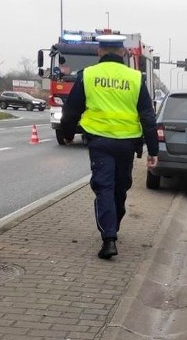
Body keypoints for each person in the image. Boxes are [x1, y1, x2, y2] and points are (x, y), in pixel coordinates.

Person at [59, 35, 159, 259]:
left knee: (105, 188)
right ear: (123, 53)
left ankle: (109, 234)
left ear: (99, 52)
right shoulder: (135, 78)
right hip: (127, 144)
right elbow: (148, 116)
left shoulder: (89, 75)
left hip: (100, 142)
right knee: (119, 188)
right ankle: (111, 233)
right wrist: (154, 151)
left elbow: (71, 110)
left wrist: (67, 134)